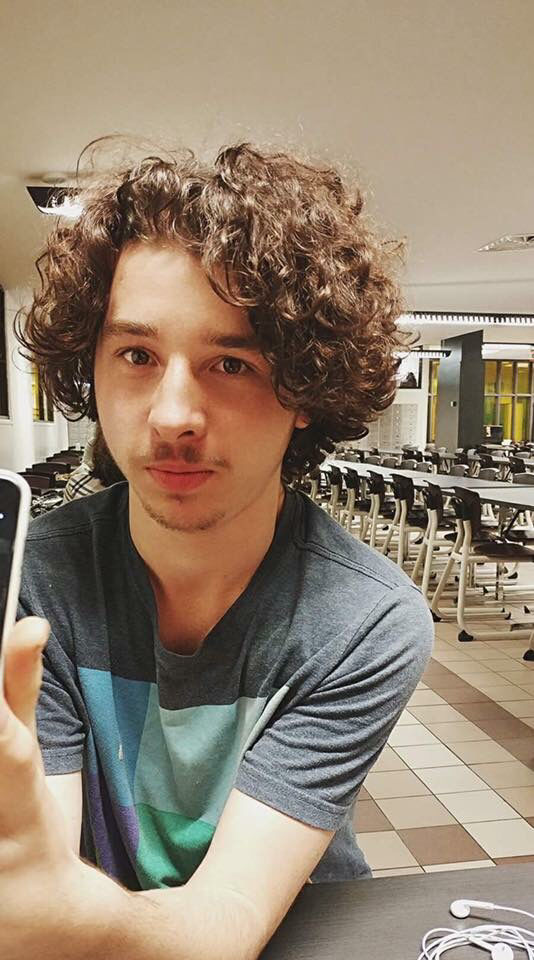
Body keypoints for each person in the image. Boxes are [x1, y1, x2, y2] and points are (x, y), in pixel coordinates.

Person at [3, 142, 433, 959]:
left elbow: (230, 914)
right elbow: (39, 875)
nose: (172, 416)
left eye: (230, 363)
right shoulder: (38, 580)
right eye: (136, 355)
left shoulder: (364, 619)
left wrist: (57, 914)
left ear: (305, 393)